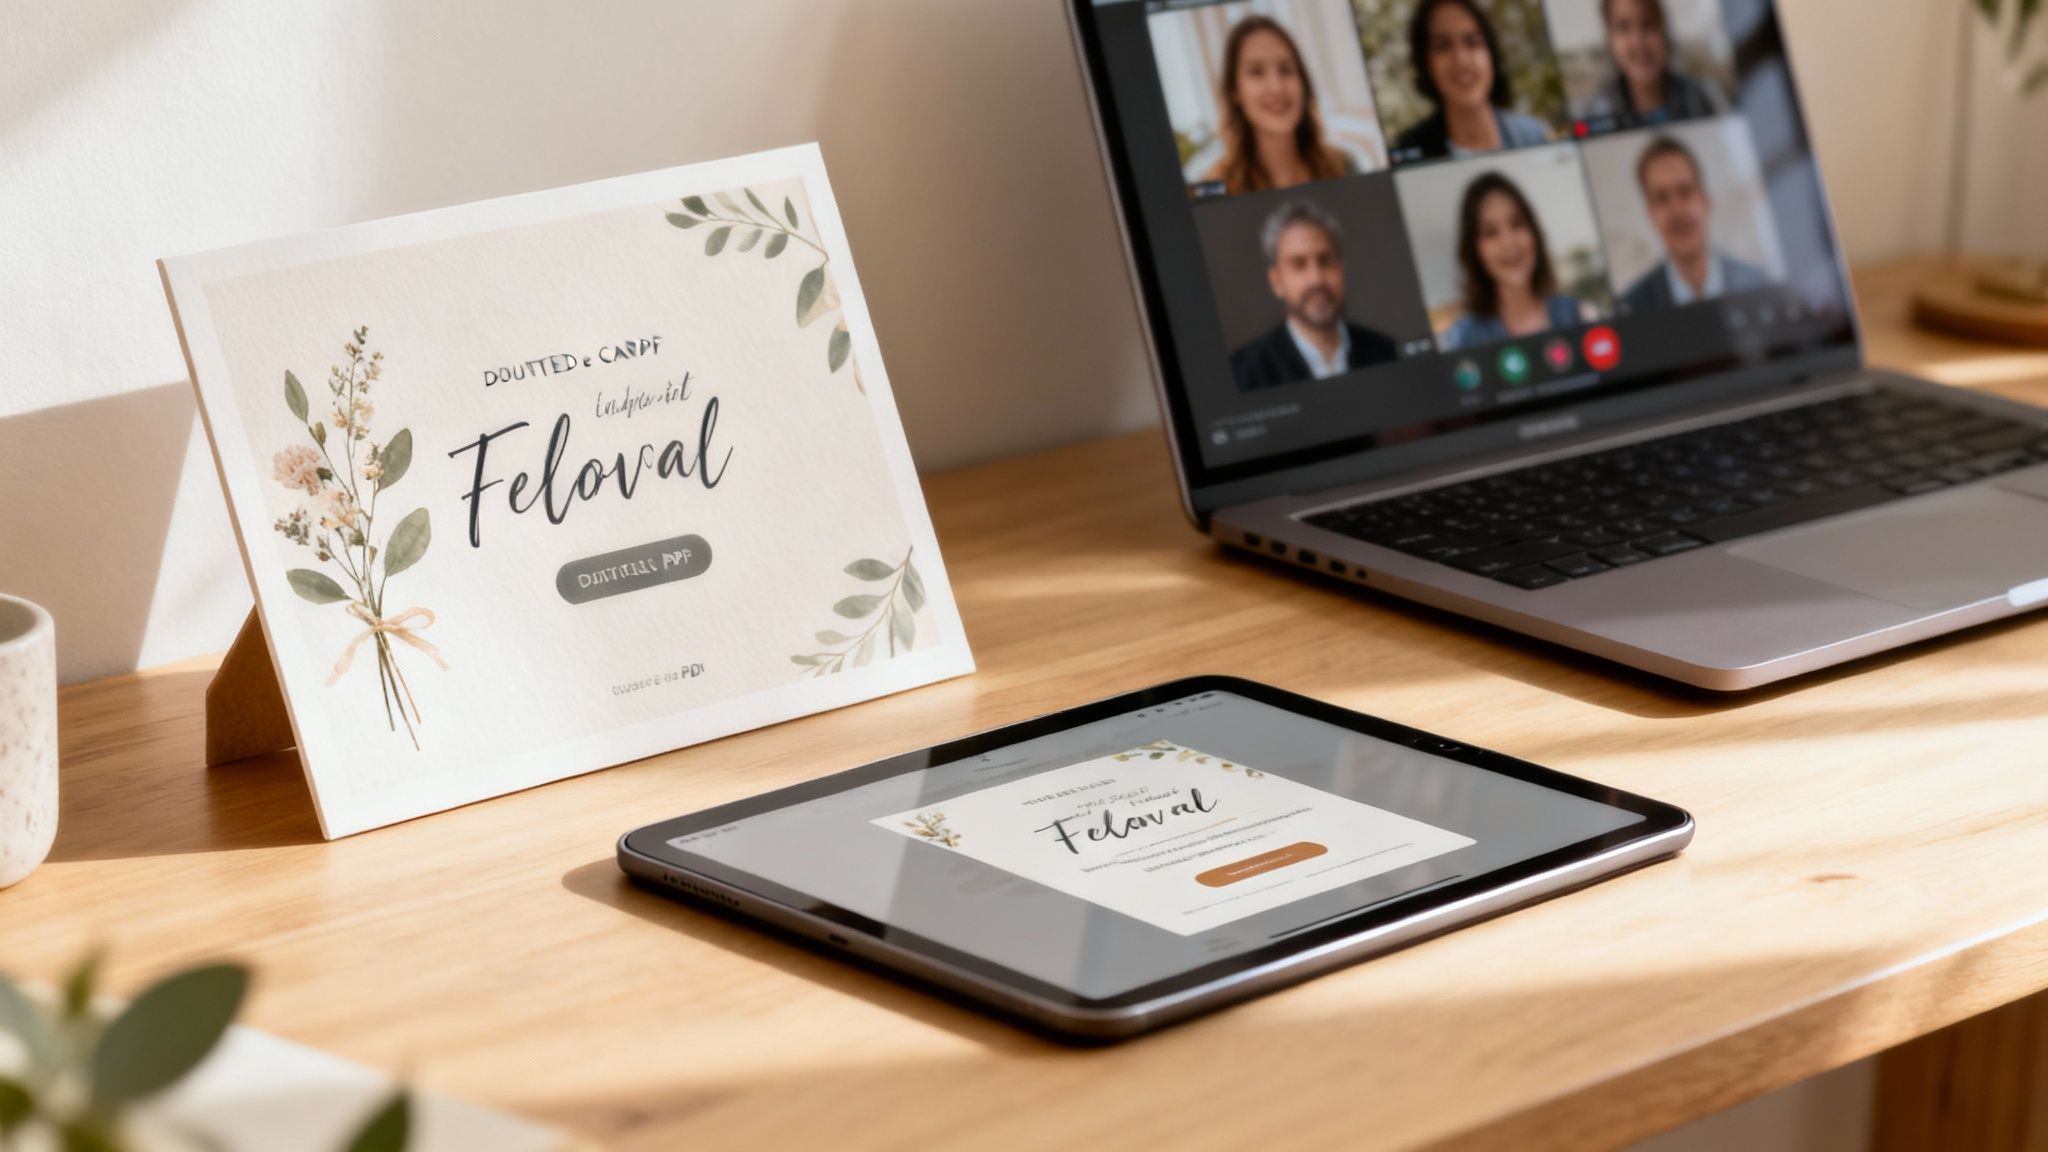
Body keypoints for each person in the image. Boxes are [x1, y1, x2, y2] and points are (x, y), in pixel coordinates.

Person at [1231, 201, 1400, 391]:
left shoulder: (1387, 353)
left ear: (1342, 270)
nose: (1316, 279)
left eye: (1325, 261)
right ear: (1276, 282)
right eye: (1298, 265)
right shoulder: (1243, 373)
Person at [1201, 16, 1358, 195]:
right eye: (1256, 72)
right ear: (1234, 91)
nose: (1276, 88)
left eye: (1285, 69)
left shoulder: (1343, 166)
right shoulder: (1215, 188)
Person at [1619, 135, 1769, 312]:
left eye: (1685, 191)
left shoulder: (1760, 286)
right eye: (1661, 198)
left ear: (1705, 201)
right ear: (1651, 214)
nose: (1677, 210)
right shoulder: (1632, 307)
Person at [1441, 171, 1587, 349]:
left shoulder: (1577, 315)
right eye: (1491, 232)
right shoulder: (1462, 340)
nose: (1509, 242)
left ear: (1534, 233)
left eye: (1517, 223)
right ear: (1474, 251)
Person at [1395, 0, 1555, 160]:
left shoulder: (1534, 136)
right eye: (1443, 46)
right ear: (1427, 64)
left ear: (1491, 54)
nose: (1461, 61)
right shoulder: (1409, 154)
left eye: (1472, 42)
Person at [1590, 0, 1725, 123]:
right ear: (1610, 39)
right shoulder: (1596, 113)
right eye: (1623, 27)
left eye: (1648, 24)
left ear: (1664, 30)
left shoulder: (1702, 98)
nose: (1638, 42)